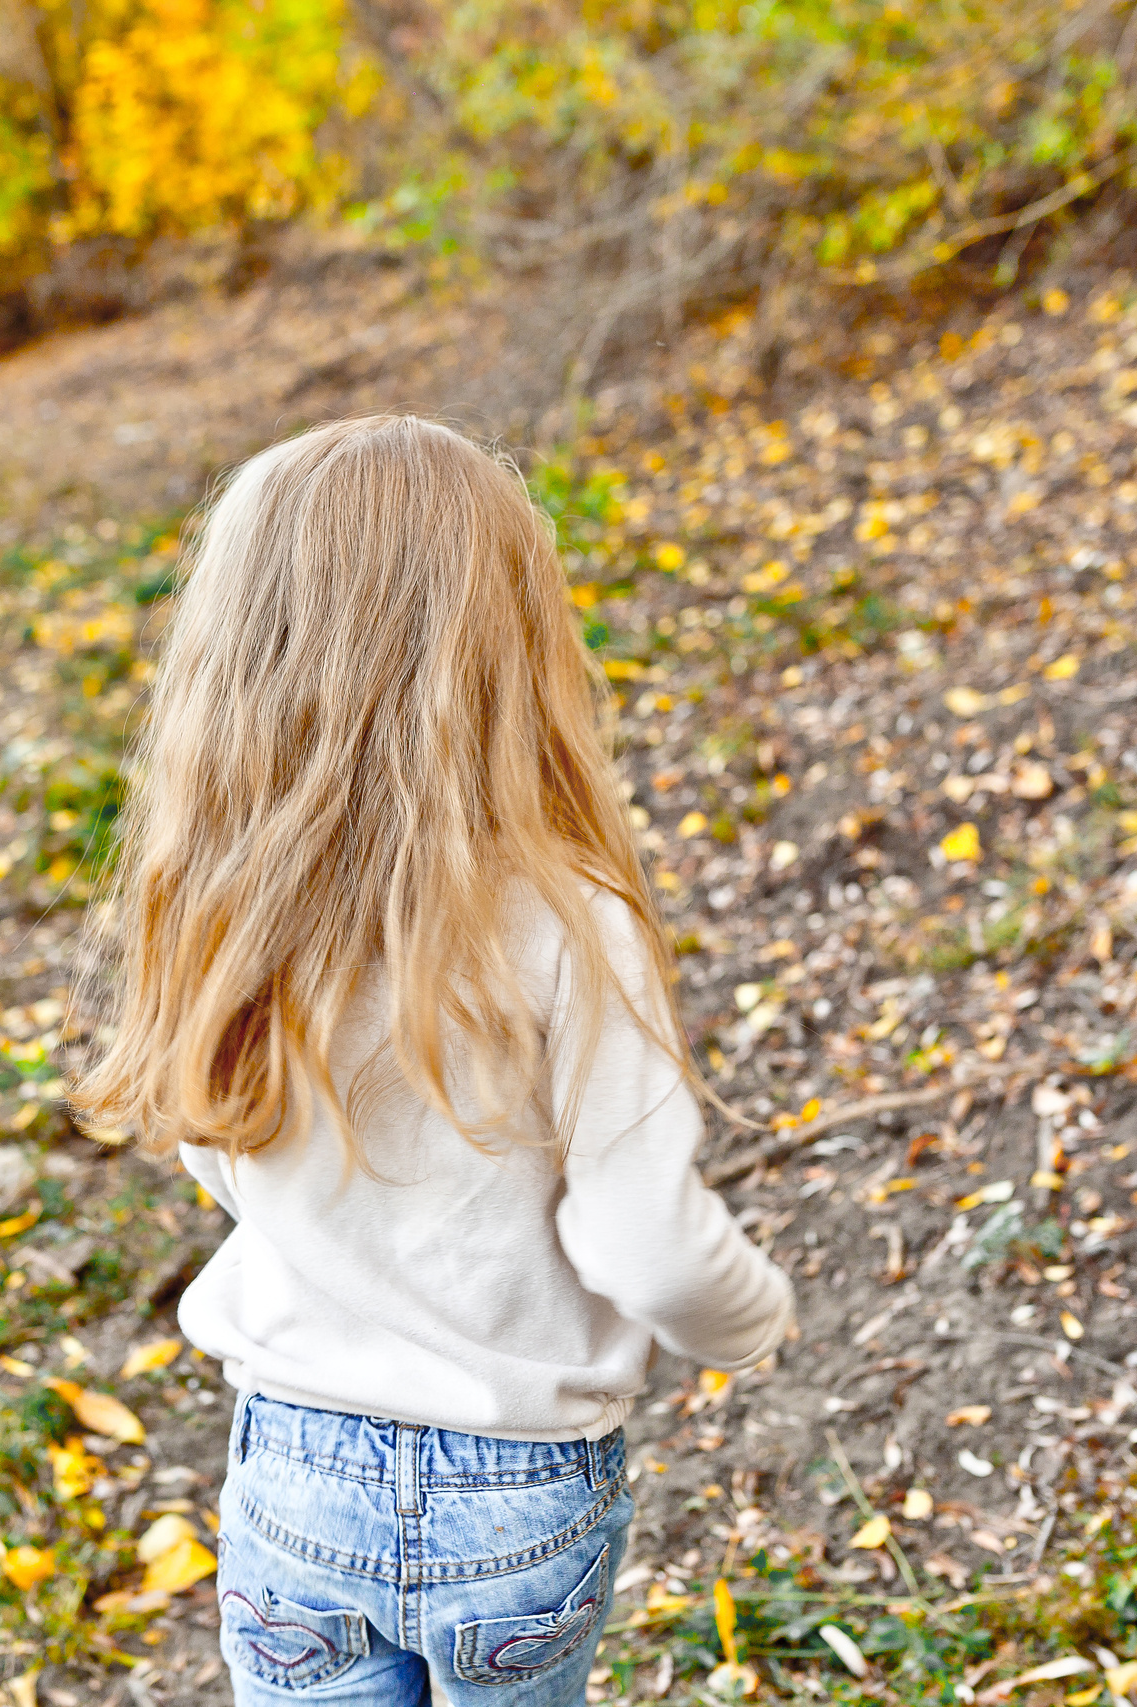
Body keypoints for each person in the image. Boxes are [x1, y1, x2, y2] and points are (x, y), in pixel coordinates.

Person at [77, 416, 795, 1705]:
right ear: (512, 642)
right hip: (516, 1500)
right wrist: (752, 1321)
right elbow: (649, 1247)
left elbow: (220, 1149)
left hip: (294, 1473)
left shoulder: (227, 903)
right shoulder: (572, 918)